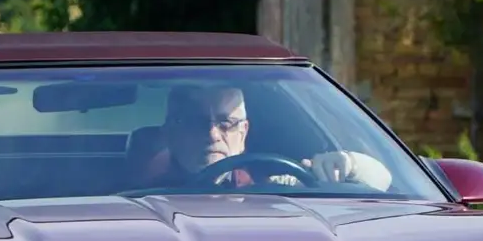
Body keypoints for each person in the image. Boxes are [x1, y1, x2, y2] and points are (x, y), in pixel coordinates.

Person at [131, 84, 392, 191]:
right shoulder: (136, 194)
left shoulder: (272, 180)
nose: (212, 134)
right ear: (170, 133)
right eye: (194, 122)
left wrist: (348, 164)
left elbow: (384, 184)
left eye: (227, 124)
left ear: (243, 133)